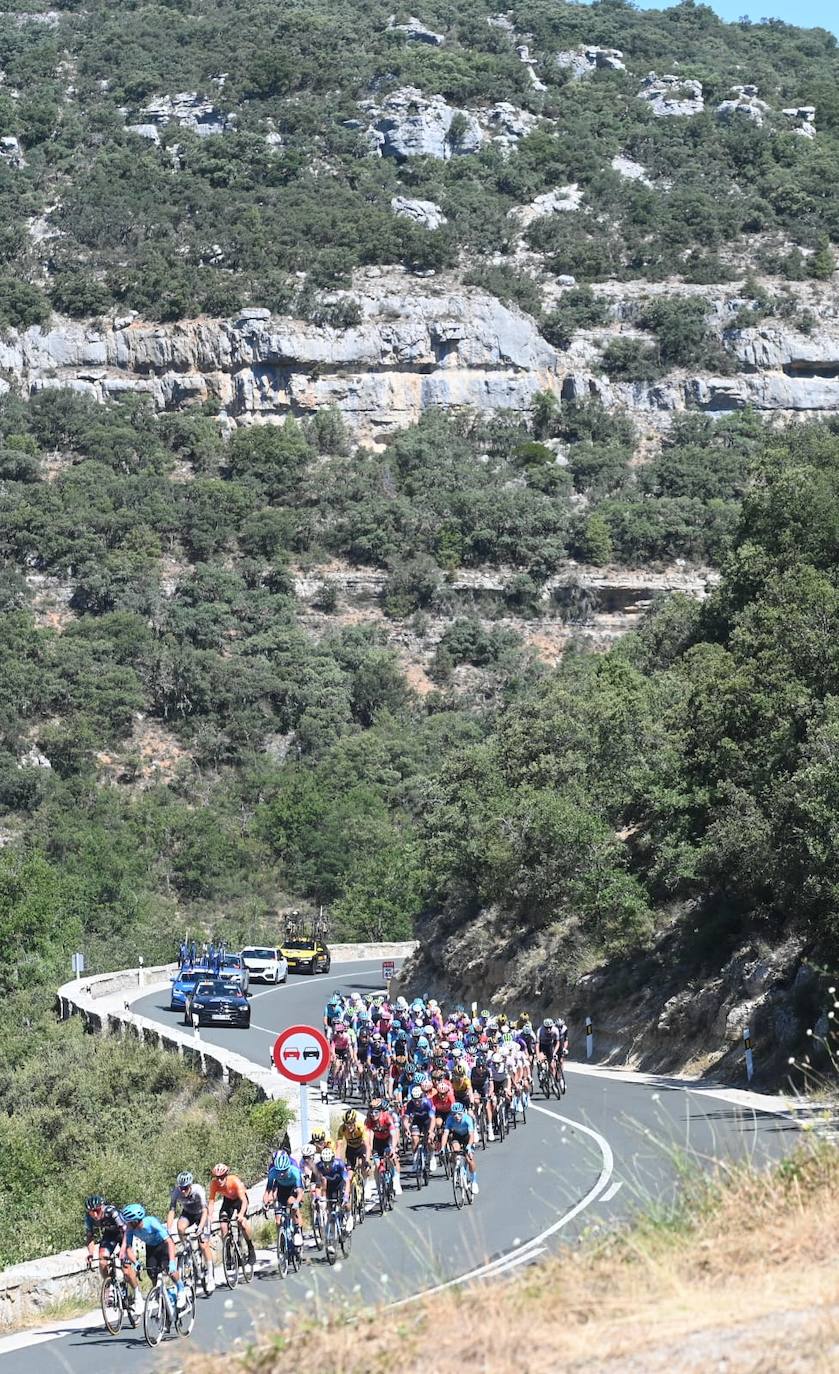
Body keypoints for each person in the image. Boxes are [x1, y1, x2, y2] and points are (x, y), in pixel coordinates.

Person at [120, 1203, 187, 1311]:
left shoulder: (151, 1223)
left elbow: (170, 1242)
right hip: (151, 1248)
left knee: (169, 1269)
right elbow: (128, 1248)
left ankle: (181, 1289)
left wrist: (172, 1262)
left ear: (135, 1221)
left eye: (128, 1222)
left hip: (164, 1245)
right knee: (152, 1274)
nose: (126, 1225)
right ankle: (161, 1298)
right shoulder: (130, 1229)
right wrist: (135, 1262)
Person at [166, 1172, 215, 1294]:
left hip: (201, 1214)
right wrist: (168, 1228)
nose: (183, 1191)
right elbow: (172, 1211)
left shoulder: (198, 1190)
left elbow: (205, 1211)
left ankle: (210, 1276)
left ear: (190, 1186)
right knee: (180, 1227)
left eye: (186, 1188)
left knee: (203, 1244)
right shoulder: (176, 1192)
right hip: (188, 1213)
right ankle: (186, 1247)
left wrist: (201, 1228)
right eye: (181, 1188)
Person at [209, 1163, 255, 1264]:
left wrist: (241, 1214)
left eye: (222, 1177)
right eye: (217, 1178)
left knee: (242, 1223)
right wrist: (209, 1217)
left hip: (240, 1200)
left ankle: (251, 1248)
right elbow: (211, 1201)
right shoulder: (214, 1184)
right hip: (228, 1201)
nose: (219, 1180)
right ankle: (229, 1255)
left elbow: (244, 1201)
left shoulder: (234, 1181)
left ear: (226, 1176)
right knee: (223, 1226)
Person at [263, 1150, 304, 1253]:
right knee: (278, 1220)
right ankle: (282, 1241)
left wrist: (297, 1202)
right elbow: (268, 1190)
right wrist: (265, 1203)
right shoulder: (273, 1172)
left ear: (288, 1168)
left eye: (284, 1171)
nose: (281, 1174)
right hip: (281, 1188)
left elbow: (300, 1192)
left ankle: (296, 1230)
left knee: (291, 1202)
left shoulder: (294, 1170)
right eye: (279, 1171)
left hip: (293, 1188)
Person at [439, 1101, 479, 1196]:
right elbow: (445, 1134)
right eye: (454, 1114)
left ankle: (474, 1181)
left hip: (467, 1137)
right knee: (455, 1151)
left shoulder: (467, 1119)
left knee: (470, 1159)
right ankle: (456, 1169)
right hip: (457, 1136)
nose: (456, 1116)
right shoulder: (449, 1120)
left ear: (463, 1113)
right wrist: (442, 1148)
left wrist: (469, 1146)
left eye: (459, 1114)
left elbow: (471, 1135)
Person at [84, 1195, 127, 1279]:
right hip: (110, 1234)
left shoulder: (112, 1212)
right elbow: (90, 1237)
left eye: (97, 1210)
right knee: (102, 1261)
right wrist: (90, 1253)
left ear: (102, 1207)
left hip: (124, 1234)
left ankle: (136, 1291)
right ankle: (109, 1287)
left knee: (126, 1266)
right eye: (92, 1212)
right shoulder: (89, 1218)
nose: (95, 1214)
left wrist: (123, 1249)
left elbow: (125, 1231)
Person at [365, 1099, 402, 1195]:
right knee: (377, 1166)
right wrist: (369, 1151)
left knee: (391, 1158)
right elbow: (367, 1136)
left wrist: (393, 1149)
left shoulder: (387, 1117)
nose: (373, 1114)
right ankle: (378, 1188)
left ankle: (396, 1180)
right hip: (377, 1141)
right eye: (371, 1112)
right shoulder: (368, 1120)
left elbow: (393, 1134)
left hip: (388, 1140)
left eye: (376, 1112)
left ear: (381, 1111)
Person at [315, 1148, 353, 1231]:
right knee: (328, 1208)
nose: (327, 1166)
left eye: (329, 1163)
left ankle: (349, 1216)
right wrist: (318, 1198)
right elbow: (318, 1185)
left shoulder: (339, 1164)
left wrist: (346, 1196)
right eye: (325, 1163)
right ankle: (332, 1230)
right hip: (328, 1186)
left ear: (333, 1160)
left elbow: (347, 1182)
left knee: (345, 1202)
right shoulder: (318, 1167)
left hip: (340, 1184)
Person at [336, 1107, 368, 1174]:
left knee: (362, 1165)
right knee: (349, 1174)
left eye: (350, 1123)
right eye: (346, 1123)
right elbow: (338, 1146)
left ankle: (364, 1182)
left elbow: (367, 1145)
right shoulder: (342, 1129)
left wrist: (367, 1160)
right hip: (351, 1149)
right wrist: (337, 1161)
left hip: (361, 1148)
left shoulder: (360, 1127)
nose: (348, 1126)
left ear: (354, 1122)